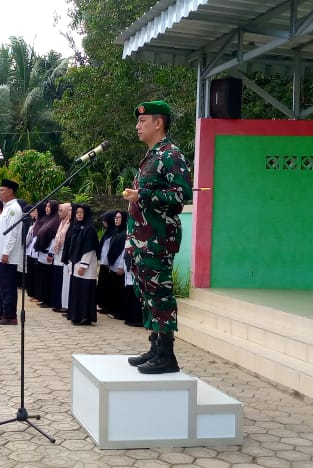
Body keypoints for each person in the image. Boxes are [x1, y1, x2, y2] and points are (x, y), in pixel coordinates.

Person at [123, 100, 192, 375]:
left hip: (158, 240)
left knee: (160, 294)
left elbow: (181, 195)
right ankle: (155, 347)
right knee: (147, 293)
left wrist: (144, 195)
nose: (138, 126)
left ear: (158, 123)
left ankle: (167, 355)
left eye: (143, 121)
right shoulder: (151, 156)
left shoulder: (170, 155)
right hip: (142, 239)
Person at [0, 179, 24, 325]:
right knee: (3, 286)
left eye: (2, 190)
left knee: (8, 286)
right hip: (2, 254)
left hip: (8, 256)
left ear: (10, 191)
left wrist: (6, 252)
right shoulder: (7, 207)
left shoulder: (14, 209)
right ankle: (6, 313)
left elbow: (13, 233)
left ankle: (11, 316)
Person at [65, 204, 99, 326]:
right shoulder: (76, 227)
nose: (79, 214)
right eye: (77, 212)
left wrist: (83, 265)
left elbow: (89, 249)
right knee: (77, 291)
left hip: (85, 267)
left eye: (81, 212)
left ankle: (85, 316)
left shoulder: (89, 229)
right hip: (75, 264)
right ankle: (76, 315)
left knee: (85, 292)